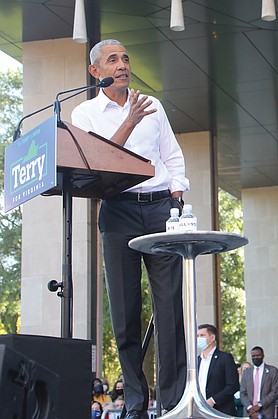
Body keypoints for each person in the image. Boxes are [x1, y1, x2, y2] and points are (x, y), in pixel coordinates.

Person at [71, 39, 189, 419]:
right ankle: (136, 403)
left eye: (125, 57)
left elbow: (171, 154)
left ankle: (172, 401)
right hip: (118, 210)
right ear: (96, 72)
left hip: (159, 208)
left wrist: (176, 194)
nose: (122, 64)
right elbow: (97, 164)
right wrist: (129, 121)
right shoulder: (84, 113)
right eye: (112, 60)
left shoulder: (153, 106)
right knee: (125, 314)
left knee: (170, 310)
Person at [196, 323, 240, 416]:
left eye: (202, 335)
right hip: (200, 411)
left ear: (212, 338)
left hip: (221, 411)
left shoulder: (225, 358)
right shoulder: (196, 361)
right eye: (197, 336)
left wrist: (213, 400)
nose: (199, 338)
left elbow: (233, 385)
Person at [240, 346, 278, 418]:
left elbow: (274, 392)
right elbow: (243, 393)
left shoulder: (272, 371)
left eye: (258, 355)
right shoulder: (246, 372)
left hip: (266, 411)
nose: (255, 358)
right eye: (253, 356)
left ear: (263, 356)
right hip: (249, 412)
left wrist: (259, 405)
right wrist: (250, 408)